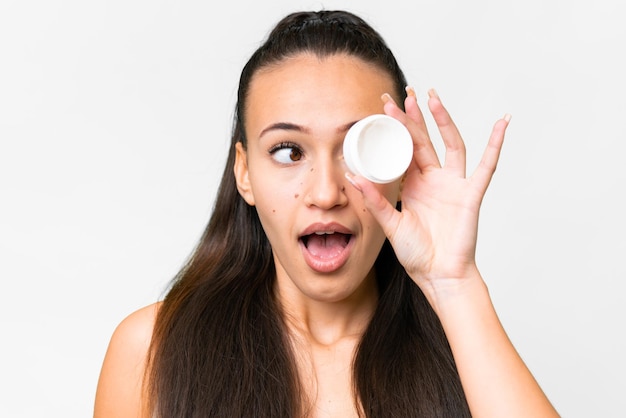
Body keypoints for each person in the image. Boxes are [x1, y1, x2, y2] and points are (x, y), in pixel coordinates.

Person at [94, 9, 559, 418]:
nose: (325, 192)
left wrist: (455, 285)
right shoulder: (150, 352)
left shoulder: (466, 354)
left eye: (358, 150)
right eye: (288, 151)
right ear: (244, 174)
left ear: (401, 170)